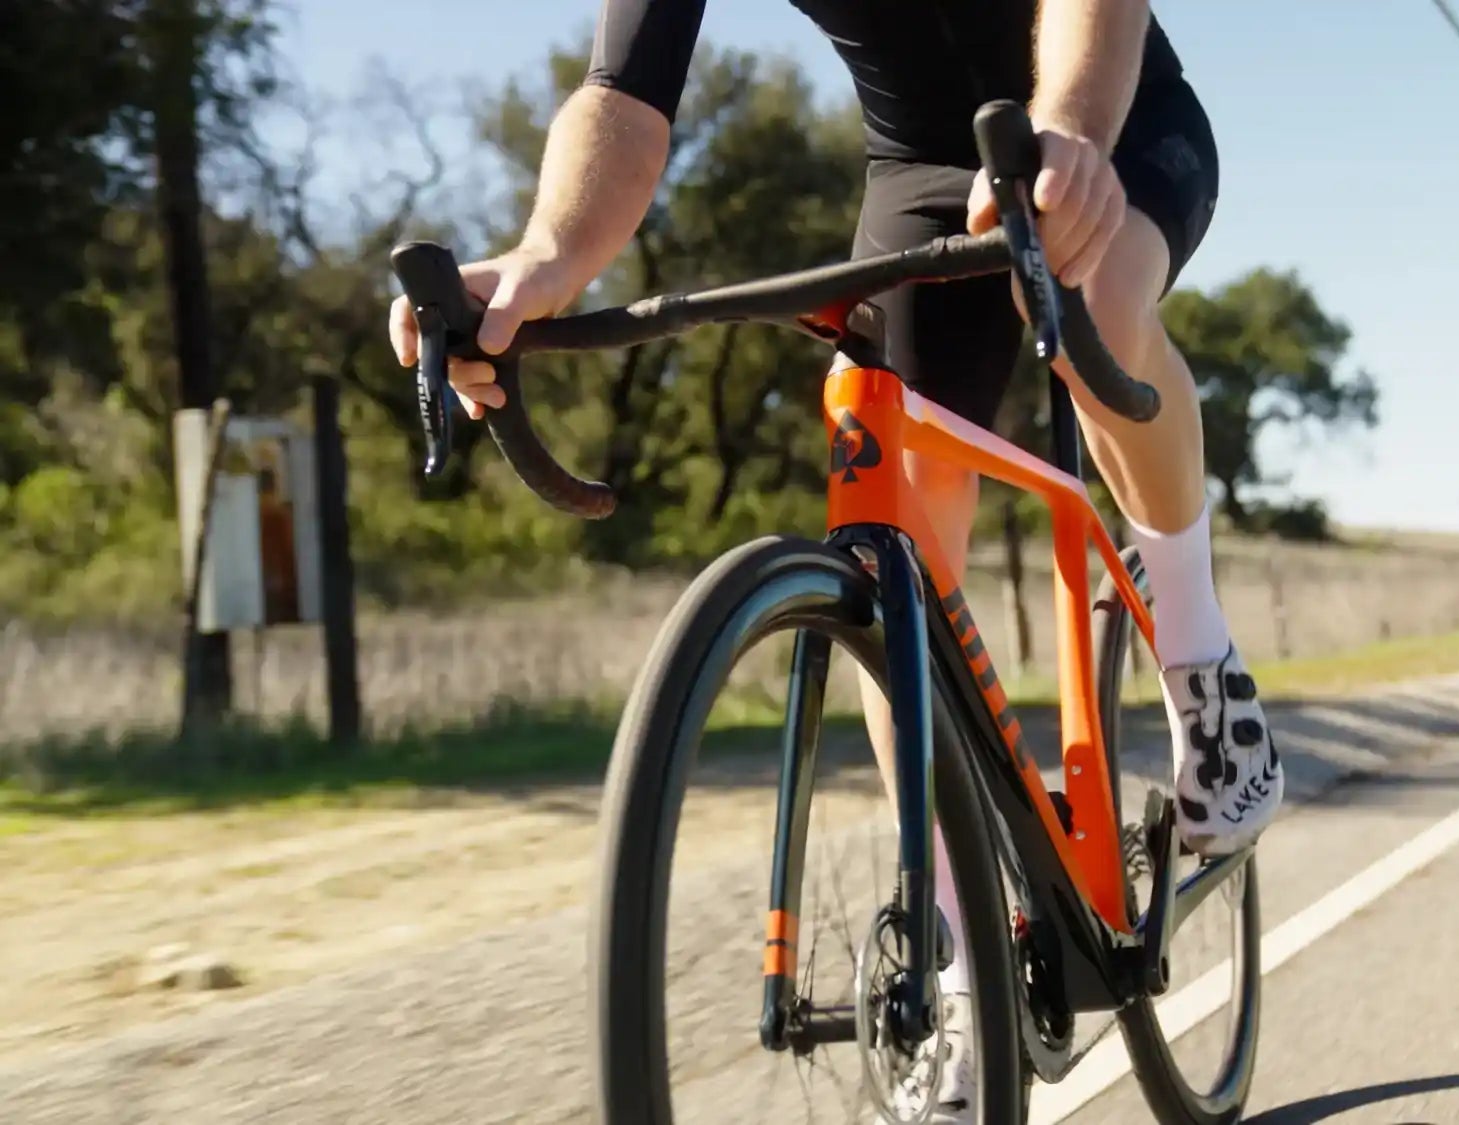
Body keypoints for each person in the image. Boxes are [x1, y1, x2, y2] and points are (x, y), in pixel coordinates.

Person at [388, 1, 1283, 1118]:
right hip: (916, 171)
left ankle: (1205, 674)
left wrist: (1073, 132)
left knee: (1091, 292)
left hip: (1116, 118)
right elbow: (623, 93)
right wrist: (543, 257)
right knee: (895, 553)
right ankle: (957, 961)